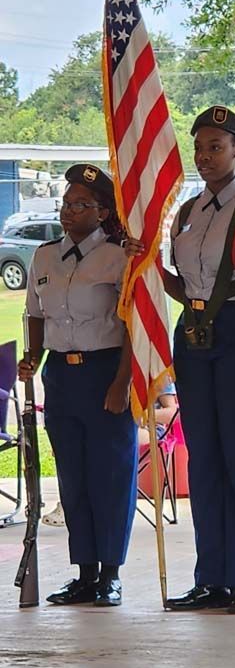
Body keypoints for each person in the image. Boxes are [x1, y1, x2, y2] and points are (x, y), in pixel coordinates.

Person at [126, 106, 235, 613]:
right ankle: (211, 576)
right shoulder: (187, 213)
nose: (206, 156)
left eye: (216, 146)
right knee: (205, 459)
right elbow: (183, 284)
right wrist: (146, 262)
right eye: (200, 147)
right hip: (193, 335)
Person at [18, 164, 137, 607]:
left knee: (110, 474)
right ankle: (84, 572)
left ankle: (110, 573)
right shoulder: (45, 256)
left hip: (105, 370)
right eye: (66, 203)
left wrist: (122, 381)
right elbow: (35, 312)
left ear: (102, 211)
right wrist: (33, 356)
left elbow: (131, 325)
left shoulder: (118, 256)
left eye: (79, 204)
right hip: (62, 377)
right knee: (74, 476)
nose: (68, 211)